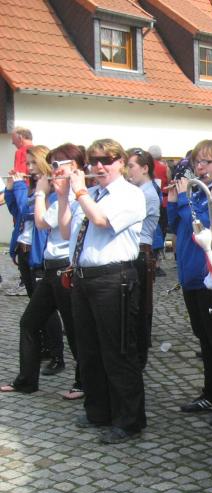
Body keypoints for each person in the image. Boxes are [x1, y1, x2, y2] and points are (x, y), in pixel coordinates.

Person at [57, 139, 146, 444]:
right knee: (89, 351)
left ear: (120, 162)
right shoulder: (92, 194)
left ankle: (129, 421)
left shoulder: (130, 194)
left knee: (118, 351)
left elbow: (102, 220)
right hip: (84, 278)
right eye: (94, 160)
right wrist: (63, 195)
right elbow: (66, 231)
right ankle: (98, 411)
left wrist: (80, 191)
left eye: (106, 160)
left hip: (113, 278)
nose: (99, 166)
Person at [167, 140, 212, 419]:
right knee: (204, 341)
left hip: (209, 276)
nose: (199, 166)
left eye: (207, 161)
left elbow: (202, 228)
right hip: (189, 275)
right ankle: (211, 393)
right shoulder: (196, 192)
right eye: (197, 161)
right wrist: (174, 199)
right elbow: (175, 225)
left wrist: (185, 200)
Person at [1, 145, 75, 395]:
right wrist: (12, 188)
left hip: (58, 264)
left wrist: (29, 190)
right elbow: (18, 212)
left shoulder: (55, 193)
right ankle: (26, 381)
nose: (29, 168)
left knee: (73, 327)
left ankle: (78, 376)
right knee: (29, 322)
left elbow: (36, 218)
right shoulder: (41, 190)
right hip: (42, 260)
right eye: (28, 163)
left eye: (34, 163)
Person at [126, 148, 161, 368]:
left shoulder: (145, 194)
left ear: (145, 168)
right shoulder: (138, 191)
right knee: (134, 309)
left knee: (139, 309)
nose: (128, 171)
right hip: (136, 252)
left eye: (131, 166)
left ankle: (138, 357)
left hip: (140, 252)